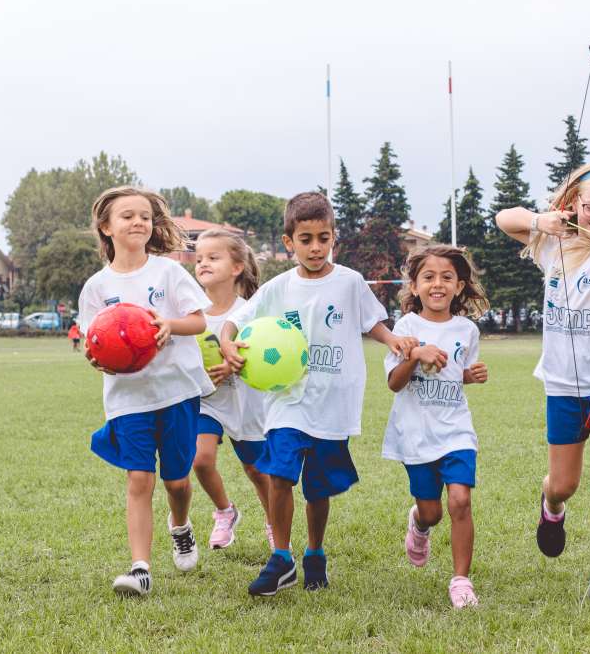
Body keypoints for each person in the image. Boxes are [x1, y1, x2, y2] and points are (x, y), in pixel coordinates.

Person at [219, 191, 417, 596]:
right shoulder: (277, 288)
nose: (315, 247)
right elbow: (235, 322)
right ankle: (281, 557)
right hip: (287, 399)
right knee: (278, 473)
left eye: (323, 238)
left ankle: (314, 552)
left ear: (333, 239)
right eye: (305, 239)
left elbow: (371, 322)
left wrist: (392, 340)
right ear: (289, 241)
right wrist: (227, 344)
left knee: (318, 488)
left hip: (333, 401)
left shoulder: (349, 282)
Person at [495, 163, 590, 608]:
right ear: (573, 204)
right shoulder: (551, 243)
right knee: (564, 484)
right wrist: (542, 221)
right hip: (562, 385)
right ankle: (551, 505)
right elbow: (505, 218)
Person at [77, 186, 213, 597]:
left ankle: (181, 526)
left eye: (145, 216)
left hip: (176, 392)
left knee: (177, 482)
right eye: (127, 216)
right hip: (128, 398)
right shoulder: (96, 287)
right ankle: (140, 569)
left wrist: (169, 325)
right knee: (139, 478)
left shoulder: (168, 273)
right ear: (106, 227)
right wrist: (97, 357)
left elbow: (199, 321)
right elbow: (92, 342)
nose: (139, 222)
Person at [383, 245, 489, 608]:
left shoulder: (467, 330)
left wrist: (470, 376)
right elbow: (394, 383)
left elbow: (457, 374)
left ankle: (461, 580)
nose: (437, 284)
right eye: (428, 277)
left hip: (455, 429)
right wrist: (414, 354)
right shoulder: (407, 327)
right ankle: (420, 523)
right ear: (414, 286)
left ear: (460, 287)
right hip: (415, 432)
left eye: (447, 277)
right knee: (433, 511)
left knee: (460, 500)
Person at [192, 229, 272, 550]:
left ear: (237, 267)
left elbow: (267, 353)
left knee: (255, 469)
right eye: (199, 259)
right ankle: (225, 512)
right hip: (206, 400)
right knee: (200, 459)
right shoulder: (191, 312)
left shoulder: (251, 310)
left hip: (245, 399)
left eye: (213, 257)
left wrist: (233, 365)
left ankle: (273, 522)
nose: (203, 264)